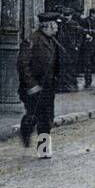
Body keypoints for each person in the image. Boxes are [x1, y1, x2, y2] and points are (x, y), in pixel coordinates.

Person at [18, 13, 63, 157]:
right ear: (47, 25)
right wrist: (31, 85)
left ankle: (43, 149)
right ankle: (26, 129)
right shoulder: (32, 40)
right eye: (55, 25)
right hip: (33, 88)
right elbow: (22, 64)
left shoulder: (52, 40)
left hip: (48, 87)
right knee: (35, 116)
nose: (57, 28)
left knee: (46, 119)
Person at [78, 8, 95, 89]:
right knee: (87, 64)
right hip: (87, 46)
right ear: (92, 14)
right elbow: (80, 30)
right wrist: (86, 34)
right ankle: (88, 83)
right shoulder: (84, 21)